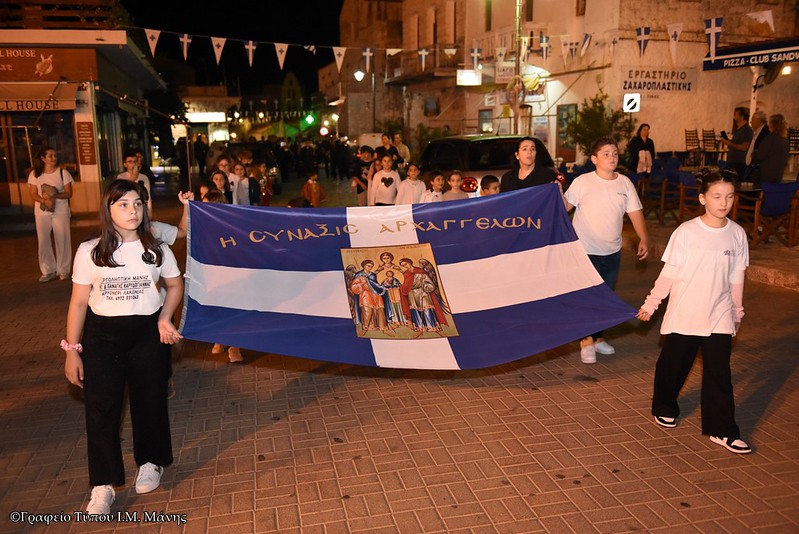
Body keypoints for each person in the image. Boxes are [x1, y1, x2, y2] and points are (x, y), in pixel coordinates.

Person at [63, 179, 183, 515]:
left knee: (150, 401)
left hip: (147, 334)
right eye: (123, 204)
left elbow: (175, 285)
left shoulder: (156, 248)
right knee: (102, 408)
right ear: (109, 209)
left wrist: (165, 318)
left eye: (138, 204)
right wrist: (72, 349)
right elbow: (78, 303)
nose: (133, 211)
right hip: (102, 338)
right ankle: (103, 484)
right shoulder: (90, 250)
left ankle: (151, 462)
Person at [636, 170, 751, 454]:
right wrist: (652, 303)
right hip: (686, 311)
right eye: (717, 196)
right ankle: (664, 405)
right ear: (702, 199)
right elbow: (669, 274)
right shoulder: (686, 232)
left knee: (719, 373)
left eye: (729, 196)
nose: (723, 202)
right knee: (674, 364)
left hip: (719, 313)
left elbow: (736, 277)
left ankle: (722, 430)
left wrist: (736, 311)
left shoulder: (737, 234)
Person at [563, 137, 649, 364]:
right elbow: (564, 208)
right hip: (585, 251)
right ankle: (586, 341)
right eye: (606, 154)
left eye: (615, 153)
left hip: (611, 252)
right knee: (587, 297)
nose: (612, 158)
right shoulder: (582, 182)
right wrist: (555, 193)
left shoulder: (625, 183)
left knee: (605, 297)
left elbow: (635, 212)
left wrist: (643, 238)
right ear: (594, 159)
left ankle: (598, 338)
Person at [27, 145, 73, 282]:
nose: (54, 158)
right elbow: (33, 193)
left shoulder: (63, 173)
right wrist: (44, 200)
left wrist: (54, 196)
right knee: (43, 241)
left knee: (63, 239)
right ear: (43, 158)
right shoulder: (35, 174)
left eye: (55, 155)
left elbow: (68, 193)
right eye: (50, 156)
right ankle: (48, 270)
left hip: (60, 210)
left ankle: (64, 270)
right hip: (42, 212)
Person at [751, 113, 789, 184]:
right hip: (778, 173)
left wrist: (754, 153)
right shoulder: (785, 140)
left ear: (772, 125)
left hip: (766, 174)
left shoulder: (770, 139)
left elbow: (760, 155)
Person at [718, 107, 752, 182]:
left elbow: (744, 147)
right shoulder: (738, 129)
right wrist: (727, 141)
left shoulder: (746, 130)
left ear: (742, 117)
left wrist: (728, 143)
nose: (734, 117)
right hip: (733, 161)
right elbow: (735, 143)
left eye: (736, 115)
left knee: (737, 181)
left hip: (739, 162)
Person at [118, 149, 152, 214]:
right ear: (125, 164)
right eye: (130, 162)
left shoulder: (144, 177)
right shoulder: (121, 177)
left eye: (135, 161)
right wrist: (132, 179)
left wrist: (149, 212)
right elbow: (121, 193)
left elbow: (148, 197)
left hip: (141, 206)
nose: (133, 164)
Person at [744, 110, 769, 182]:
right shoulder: (756, 132)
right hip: (752, 165)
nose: (750, 122)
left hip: (758, 168)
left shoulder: (765, 133)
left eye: (752, 120)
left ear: (758, 120)